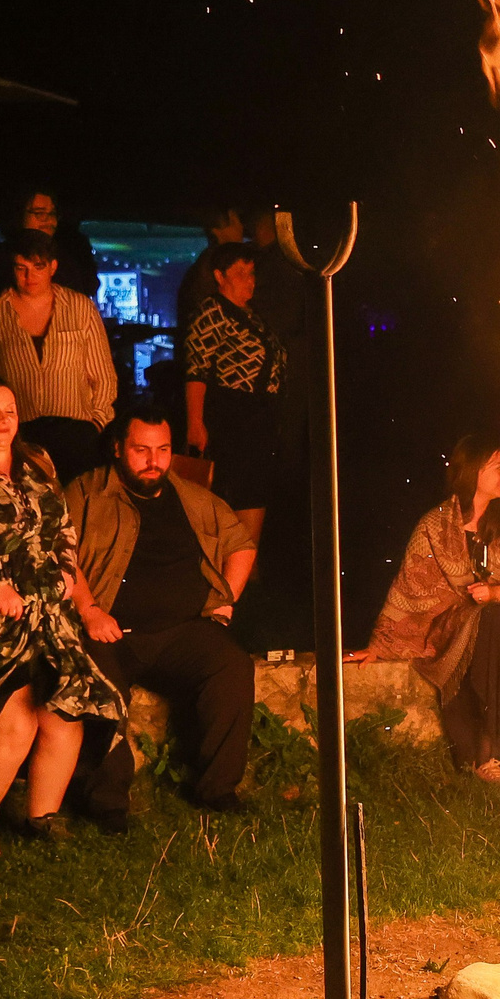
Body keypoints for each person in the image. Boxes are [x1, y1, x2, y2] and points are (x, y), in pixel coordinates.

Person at [0, 375, 127, 859]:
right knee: (15, 721)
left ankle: (42, 817)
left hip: (48, 612)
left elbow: (62, 526)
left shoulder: (36, 459)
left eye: (9, 410)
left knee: (65, 710)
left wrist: (63, 574)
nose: (2, 420)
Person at [64, 410, 259, 830]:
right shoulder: (87, 492)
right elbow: (60, 556)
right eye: (141, 450)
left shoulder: (192, 497)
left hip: (183, 629)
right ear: (118, 448)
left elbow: (241, 542)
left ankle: (217, 789)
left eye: (163, 450)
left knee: (231, 664)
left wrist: (225, 602)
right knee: (101, 681)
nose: (153, 460)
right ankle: (107, 803)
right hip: (112, 629)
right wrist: (89, 610)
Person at [347, 435, 500, 788]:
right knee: (492, 615)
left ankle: (486, 761)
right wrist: (379, 645)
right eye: (499, 468)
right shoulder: (434, 526)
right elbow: (408, 588)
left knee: (496, 616)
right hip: (450, 631)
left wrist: (497, 593)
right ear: (474, 470)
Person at [0, 229, 118, 483]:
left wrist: (95, 426)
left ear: (52, 267)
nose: (29, 276)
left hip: (75, 434)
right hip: (19, 436)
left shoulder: (81, 308)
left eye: (38, 267)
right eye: (21, 268)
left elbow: (104, 376)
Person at [182, 240, 286, 549]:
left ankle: (248, 569)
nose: (249, 280)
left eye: (251, 273)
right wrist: (195, 423)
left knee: (255, 490)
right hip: (232, 417)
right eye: (240, 273)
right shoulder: (211, 312)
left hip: (259, 419)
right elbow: (196, 370)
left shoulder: (253, 315)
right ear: (219, 276)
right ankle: (236, 569)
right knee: (238, 492)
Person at [0, 190, 98, 303]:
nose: (49, 221)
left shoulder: (67, 262)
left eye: (52, 214)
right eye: (40, 213)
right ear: (19, 215)